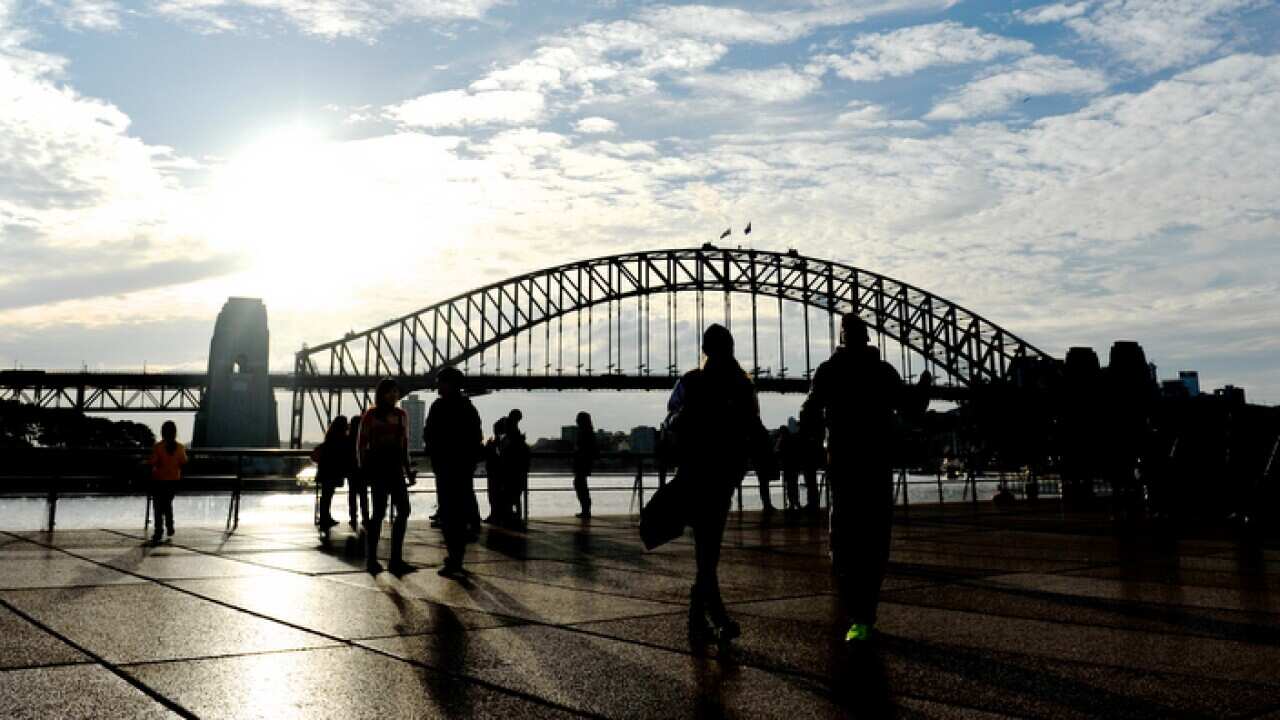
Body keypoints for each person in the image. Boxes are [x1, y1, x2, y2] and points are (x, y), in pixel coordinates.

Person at [801, 313, 914, 647]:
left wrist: (813, 434)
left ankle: (858, 614)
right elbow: (909, 407)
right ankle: (866, 614)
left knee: (847, 540)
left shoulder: (828, 371)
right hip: (876, 463)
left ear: (842, 337)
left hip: (844, 463)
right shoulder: (883, 372)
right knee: (875, 539)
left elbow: (809, 411)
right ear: (866, 338)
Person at [667, 323, 775, 641]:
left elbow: (671, 420)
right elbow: (754, 426)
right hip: (722, 473)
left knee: (707, 548)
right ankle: (711, 616)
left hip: (698, 471)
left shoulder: (691, 382)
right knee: (708, 547)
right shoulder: (740, 384)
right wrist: (766, 462)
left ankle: (700, 615)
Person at [424, 367, 483, 577]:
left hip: (445, 469)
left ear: (449, 384)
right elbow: (477, 439)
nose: (437, 386)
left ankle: (454, 558)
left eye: (440, 382)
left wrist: (436, 456)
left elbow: (428, 435)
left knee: (449, 515)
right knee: (459, 515)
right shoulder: (469, 408)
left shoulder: (438, 407)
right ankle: (457, 557)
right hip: (463, 470)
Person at [358, 378, 415, 575]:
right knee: (379, 513)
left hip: (394, 469)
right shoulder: (371, 415)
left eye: (396, 392)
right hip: (379, 470)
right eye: (390, 391)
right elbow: (362, 445)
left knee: (403, 510)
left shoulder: (401, 415)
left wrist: (407, 470)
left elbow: (403, 446)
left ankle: (393, 559)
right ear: (381, 394)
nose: (394, 395)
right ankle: (375, 559)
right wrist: (363, 469)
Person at [147, 420, 187, 544]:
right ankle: (170, 526)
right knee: (167, 505)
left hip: (159, 480)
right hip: (174, 481)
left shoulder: (158, 447)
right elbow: (184, 462)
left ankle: (159, 530)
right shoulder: (180, 447)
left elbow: (152, 462)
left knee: (158, 507)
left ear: (162, 433)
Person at [313, 416, 349, 533]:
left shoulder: (330, 437)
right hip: (333, 471)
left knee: (326, 495)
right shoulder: (342, 439)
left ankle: (324, 517)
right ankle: (325, 517)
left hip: (325, 470)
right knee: (328, 495)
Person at [502, 409, 530, 525]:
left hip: (510, 465)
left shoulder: (507, 427)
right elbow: (514, 444)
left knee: (511, 491)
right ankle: (516, 514)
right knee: (515, 491)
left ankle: (511, 514)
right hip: (515, 465)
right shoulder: (512, 429)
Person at [572, 411, 598, 518]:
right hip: (585, 462)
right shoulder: (589, 432)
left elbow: (582, 447)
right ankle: (586, 510)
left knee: (580, 485)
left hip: (582, 462)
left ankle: (585, 510)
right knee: (581, 485)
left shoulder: (584, 433)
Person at [346, 413, 369, 530]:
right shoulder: (364, 438)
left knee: (352, 494)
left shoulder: (348, 439)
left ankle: (353, 517)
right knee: (363, 494)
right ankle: (365, 517)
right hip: (362, 469)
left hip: (351, 470)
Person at [483, 418, 508, 524]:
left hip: (496, 472)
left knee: (493, 494)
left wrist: (489, 447)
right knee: (494, 494)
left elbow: (497, 457)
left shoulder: (499, 443)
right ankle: (496, 514)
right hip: (499, 472)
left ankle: (495, 514)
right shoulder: (504, 442)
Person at [776, 426, 801, 513]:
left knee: (789, 486)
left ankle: (791, 503)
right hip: (793, 466)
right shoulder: (792, 440)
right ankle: (796, 502)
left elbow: (778, 452)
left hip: (787, 467)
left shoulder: (781, 441)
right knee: (794, 485)